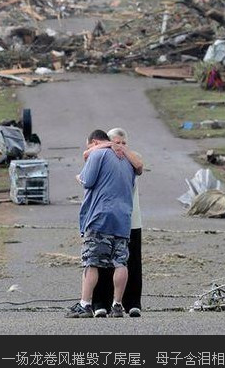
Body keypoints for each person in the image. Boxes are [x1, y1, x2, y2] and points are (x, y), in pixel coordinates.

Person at [66, 129, 136, 318]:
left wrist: (79, 177)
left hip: (100, 216)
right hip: (123, 217)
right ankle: (117, 305)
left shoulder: (98, 153)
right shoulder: (127, 160)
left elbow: (88, 181)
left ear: (95, 142)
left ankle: (85, 304)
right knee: (120, 262)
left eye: (89, 146)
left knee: (92, 262)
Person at [84, 128, 144, 318]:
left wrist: (118, 148)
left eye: (123, 143)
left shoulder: (131, 158)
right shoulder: (104, 156)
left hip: (128, 219)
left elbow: (139, 166)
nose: (119, 146)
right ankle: (102, 303)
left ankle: (130, 303)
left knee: (127, 262)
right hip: (115, 218)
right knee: (104, 263)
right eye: (115, 142)